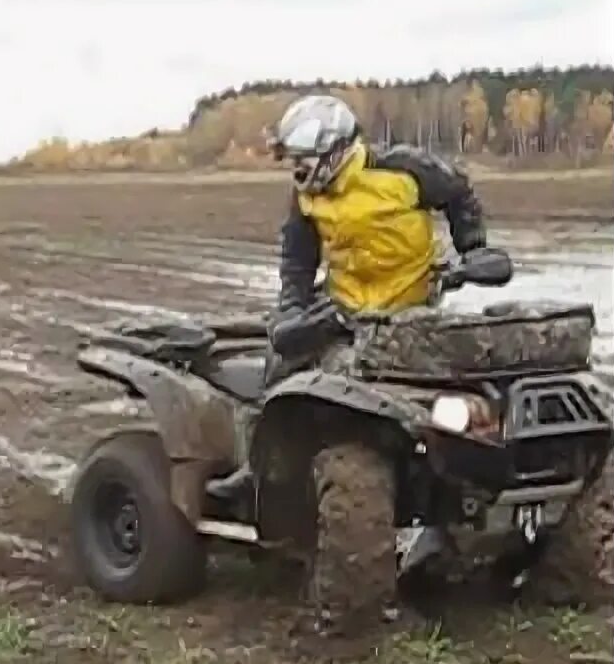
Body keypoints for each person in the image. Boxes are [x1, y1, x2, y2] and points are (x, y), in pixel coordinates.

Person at [207, 93, 488, 502]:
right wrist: (292, 307)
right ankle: (259, 470)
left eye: (302, 160)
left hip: (411, 306)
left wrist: (474, 248)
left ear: (333, 151)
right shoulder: (306, 197)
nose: (296, 170)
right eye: (292, 161)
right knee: (282, 366)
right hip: (346, 306)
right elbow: (298, 257)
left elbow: (460, 193)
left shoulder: (402, 169)